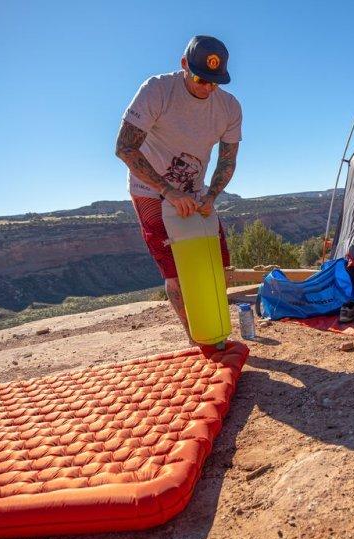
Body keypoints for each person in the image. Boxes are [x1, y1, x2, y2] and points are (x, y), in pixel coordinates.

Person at [115, 35, 242, 343]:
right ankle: (196, 337)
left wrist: (211, 196)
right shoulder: (157, 90)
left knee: (218, 266)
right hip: (150, 190)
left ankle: (214, 327)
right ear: (184, 64)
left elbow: (227, 161)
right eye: (201, 79)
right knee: (176, 274)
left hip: (196, 192)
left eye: (215, 82)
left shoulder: (229, 107)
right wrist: (169, 191)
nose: (207, 88)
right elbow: (125, 147)